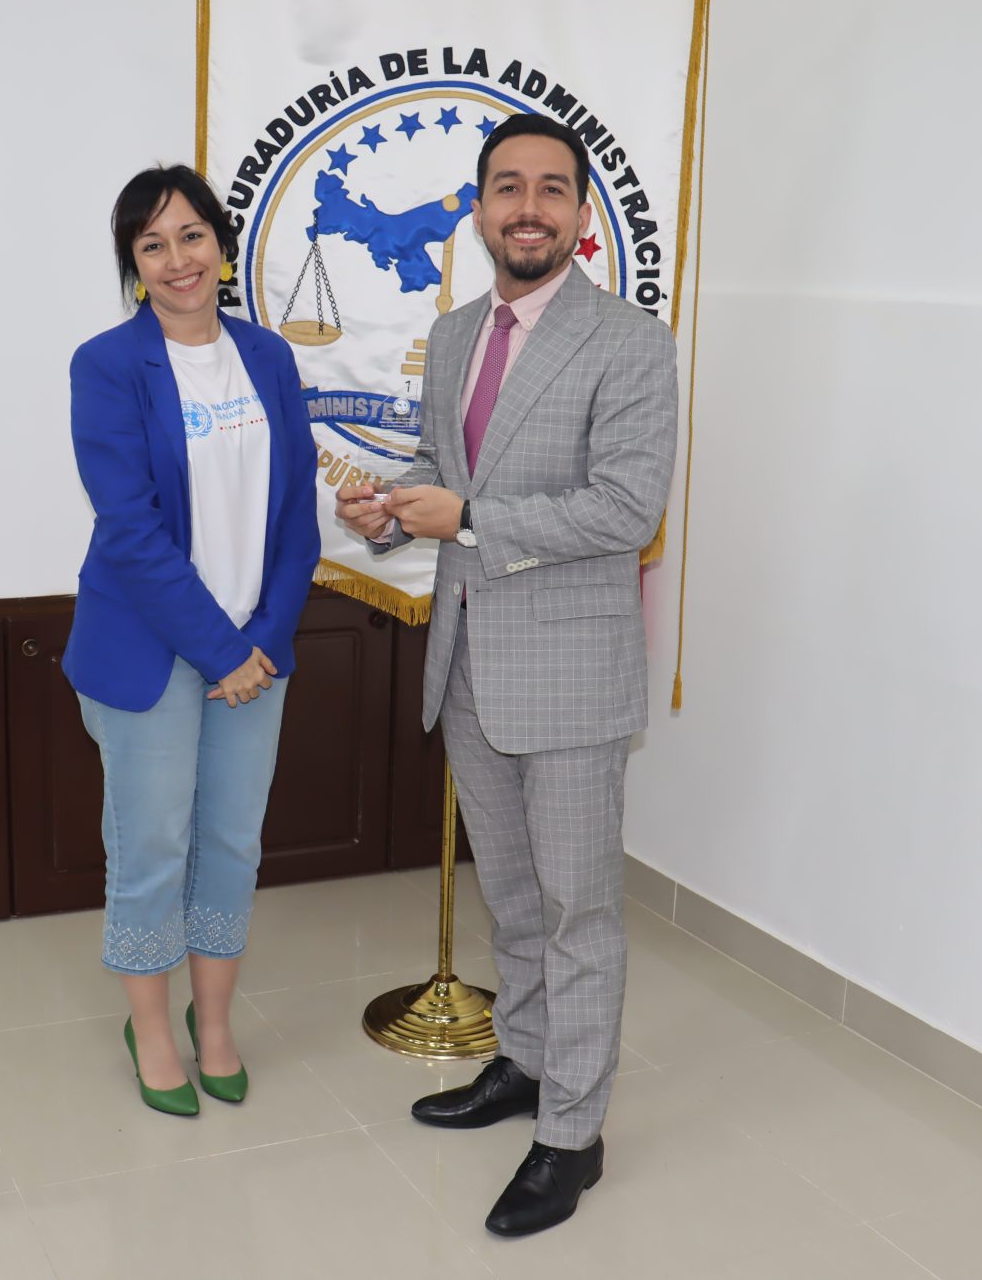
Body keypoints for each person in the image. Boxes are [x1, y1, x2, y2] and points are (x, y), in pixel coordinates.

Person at [334, 113, 677, 1235]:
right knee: (516, 899)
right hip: (470, 663)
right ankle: (525, 1064)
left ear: (580, 214)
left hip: (570, 675)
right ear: (480, 209)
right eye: (507, 187)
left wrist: (469, 516)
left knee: (579, 912)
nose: (527, 208)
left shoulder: (629, 341)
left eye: (550, 188)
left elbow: (626, 510)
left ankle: (572, 1135)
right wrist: (393, 511)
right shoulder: (454, 333)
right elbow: (444, 468)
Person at [63, 164, 321, 1116]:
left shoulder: (269, 357)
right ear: (133, 264)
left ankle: (214, 1024)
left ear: (222, 243)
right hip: (152, 653)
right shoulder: (106, 365)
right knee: (153, 846)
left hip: (257, 650)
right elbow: (130, 530)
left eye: (192, 235)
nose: (178, 259)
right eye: (152, 243)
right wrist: (223, 651)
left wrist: (266, 638)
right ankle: (154, 1031)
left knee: (231, 843)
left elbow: (297, 513)